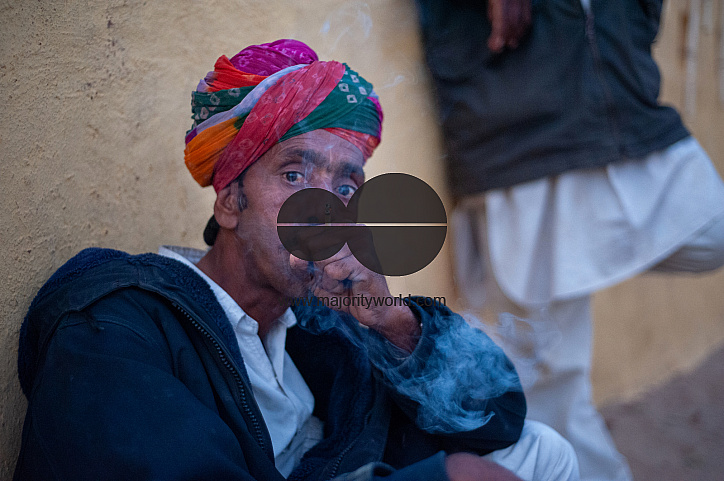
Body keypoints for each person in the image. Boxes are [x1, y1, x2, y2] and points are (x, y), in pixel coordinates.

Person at [14, 39, 579, 481]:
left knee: (539, 452)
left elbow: (496, 415)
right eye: (294, 174)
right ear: (231, 201)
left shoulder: (320, 321)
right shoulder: (116, 326)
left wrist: (393, 320)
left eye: (346, 184)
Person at [414, 1, 724, 480]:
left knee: (712, 232)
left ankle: (588, 248)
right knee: (552, 379)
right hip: (522, 135)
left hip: (623, 108)